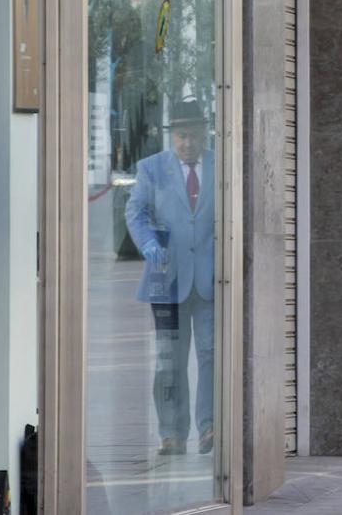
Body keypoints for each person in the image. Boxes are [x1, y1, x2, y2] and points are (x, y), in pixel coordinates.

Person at [126, 99, 216, 456]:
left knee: (212, 354)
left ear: (203, 133)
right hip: (167, 281)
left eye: (193, 136)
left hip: (211, 280)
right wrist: (147, 242)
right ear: (172, 136)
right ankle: (172, 433)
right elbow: (137, 210)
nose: (188, 143)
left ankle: (209, 426)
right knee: (170, 359)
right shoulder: (152, 169)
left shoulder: (220, 164)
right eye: (181, 136)